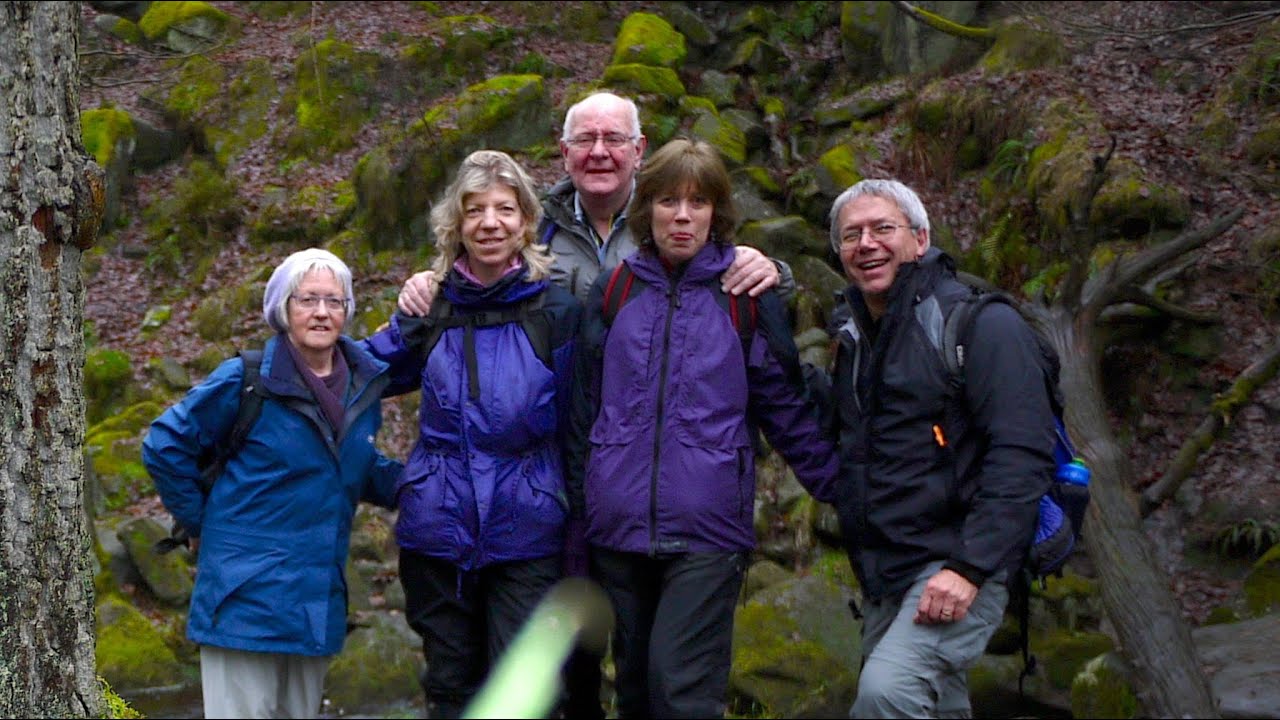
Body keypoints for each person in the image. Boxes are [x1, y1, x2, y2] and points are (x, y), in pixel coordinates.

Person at [393, 90, 794, 718]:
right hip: (560, 499)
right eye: (586, 140)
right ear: (564, 151)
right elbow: (467, 283)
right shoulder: (533, 227)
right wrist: (424, 283)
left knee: (654, 677)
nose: (600, 152)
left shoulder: (672, 211)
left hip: (631, 493)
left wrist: (771, 269)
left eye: (614, 140)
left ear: (639, 151)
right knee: (570, 674)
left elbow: (740, 312)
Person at [564, 137, 840, 719]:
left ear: (718, 212)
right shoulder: (614, 291)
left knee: (681, 688)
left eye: (698, 202)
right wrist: (578, 516)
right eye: (668, 201)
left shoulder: (741, 295)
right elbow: (583, 411)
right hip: (618, 528)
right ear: (647, 210)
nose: (682, 216)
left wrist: (843, 491)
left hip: (707, 528)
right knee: (636, 690)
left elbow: (782, 405)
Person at [812, 179, 1057, 718]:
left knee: (885, 695)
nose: (866, 243)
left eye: (883, 228)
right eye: (851, 235)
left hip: (957, 562)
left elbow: (1022, 453)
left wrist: (970, 569)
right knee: (938, 704)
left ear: (920, 240)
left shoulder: (980, 324)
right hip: (886, 570)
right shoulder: (856, 338)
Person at [362, 150, 582, 719]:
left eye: (504, 209)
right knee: (450, 686)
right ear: (454, 225)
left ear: (526, 221)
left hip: (529, 528)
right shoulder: (430, 306)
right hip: (439, 527)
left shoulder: (556, 310)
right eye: (474, 210)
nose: (490, 223)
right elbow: (357, 375)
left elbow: (585, 419)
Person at [142, 248, 402, 719]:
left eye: (334, 301)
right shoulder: (247, 378)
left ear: (347, 311)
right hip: (245, 601)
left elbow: (353, 465)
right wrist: (201, 524)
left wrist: (429, 483)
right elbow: (163, 444)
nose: (322, 312)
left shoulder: (363, 386)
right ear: (284, 309)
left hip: (314, 599)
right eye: (308, 300)